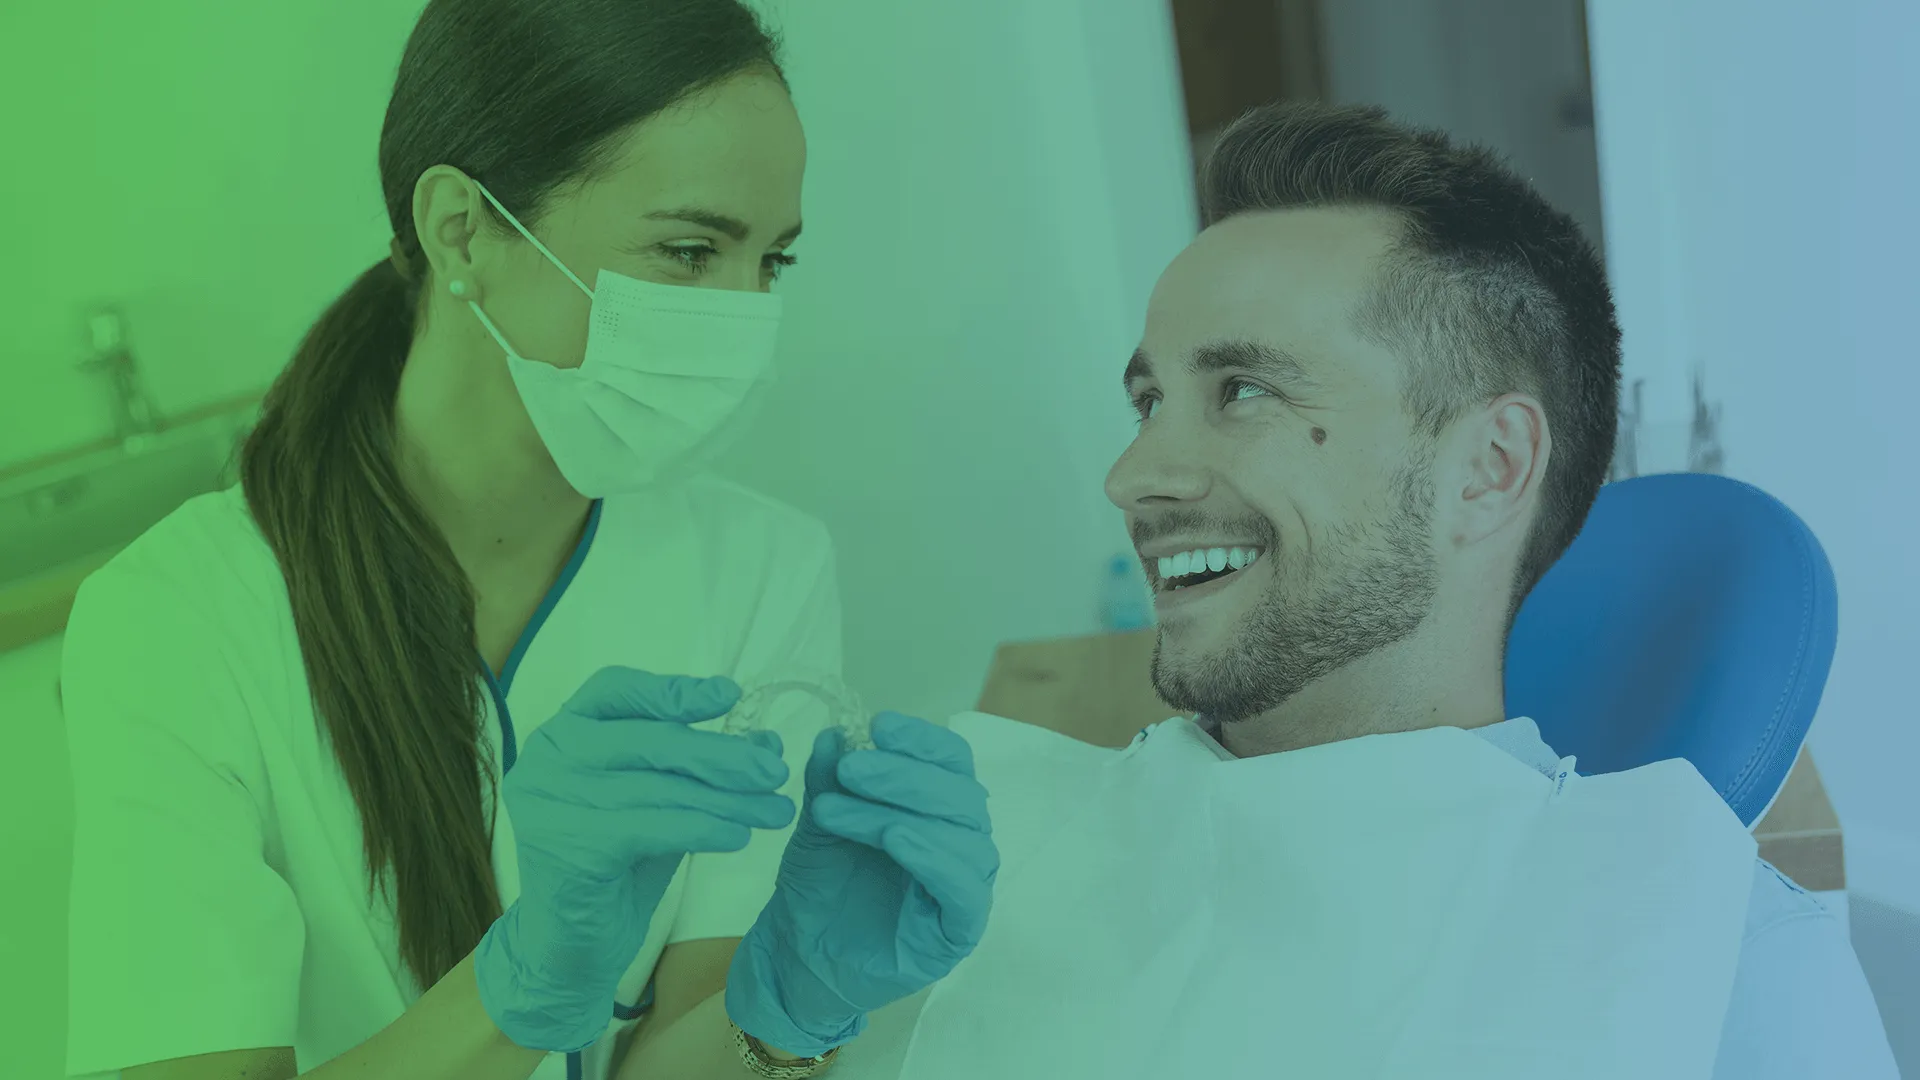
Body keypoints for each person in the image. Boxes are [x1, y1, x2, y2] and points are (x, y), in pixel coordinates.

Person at [58, 2, 995, 1079]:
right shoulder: (179, 619)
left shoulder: (761, 568)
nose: (743, 322)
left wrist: (786, 1008)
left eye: (771, 263)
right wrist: (524, 984)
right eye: (689, 251)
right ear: (463, 230)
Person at [1094, 101, 1895, 1076]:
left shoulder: (1721, 987)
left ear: (1487, 467)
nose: (1133, 475)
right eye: (1150, 402)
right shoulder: (1026, 874)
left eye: (1245, 391)